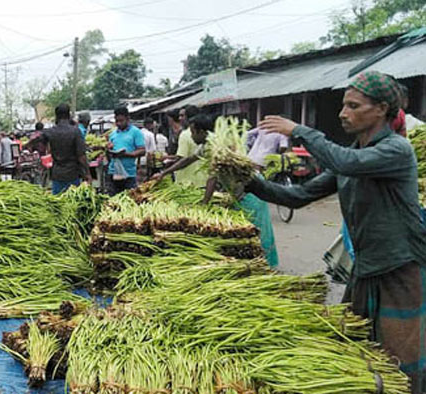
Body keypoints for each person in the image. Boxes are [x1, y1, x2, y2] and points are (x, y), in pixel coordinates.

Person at [247, 70, 426, 392]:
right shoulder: (353, 156)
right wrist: (246, 181)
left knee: (400, 360)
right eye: (344, 105)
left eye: (353, 106)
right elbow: (298, 196)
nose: (343, 113)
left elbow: (345, 163)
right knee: (354, 348)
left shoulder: (396, 151)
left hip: (398, 269)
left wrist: (300, 130)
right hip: (366, 268)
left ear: (381, 109)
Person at [34, 103, 92, 194]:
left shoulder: (51, 132)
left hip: (57, 174)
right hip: (72, 174)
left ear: (56, 116)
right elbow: (81, 156)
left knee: (58, 202)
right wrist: (87, 173)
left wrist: (26, 145)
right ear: (69, 115)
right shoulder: (75, 132)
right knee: (72, 200)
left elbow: (36, 140)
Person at [151, 114, 213, 188]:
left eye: (193, 132)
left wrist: (206, 199)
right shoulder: (203, 147)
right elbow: (187, 160)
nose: (191, 136)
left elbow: (213, 178)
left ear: (201, 132)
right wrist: (163, 173)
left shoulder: (214, 147)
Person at [107, 106, 146, 195]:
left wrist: (127, 154)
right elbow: (108, 155)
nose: (119, 123)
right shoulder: (113, 134)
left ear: (128, 119)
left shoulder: (136, 132)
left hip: (129, 174)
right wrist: (108, 149)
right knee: (112, 200)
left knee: (129, 199)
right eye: (117, 121)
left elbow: (142, 150)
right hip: (113, 172)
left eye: (121, 121)